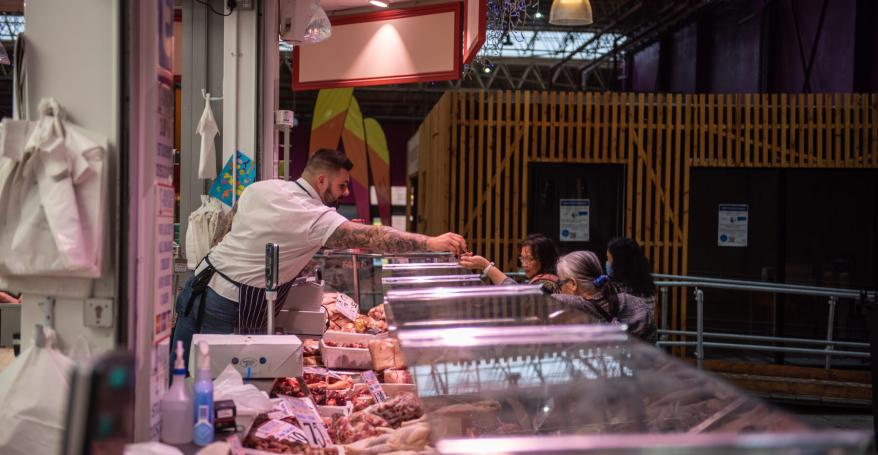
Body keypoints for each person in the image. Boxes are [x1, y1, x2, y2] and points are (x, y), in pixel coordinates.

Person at [171, 149, 467, 370]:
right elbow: (374, 238)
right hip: (227, 304)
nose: (345, 192)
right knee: (216, 383)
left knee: (183, 370)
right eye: (341, 186)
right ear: (322, 179)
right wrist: (431, 242)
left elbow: (228, 228)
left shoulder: (262, 188)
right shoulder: (313, 215)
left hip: (201, 283)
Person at [552, 250, 657, 343]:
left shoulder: (570, 309)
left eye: (560, 284)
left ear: (572, 284)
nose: (559, 290)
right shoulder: (636, 305)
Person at [458, 233, 559, 293]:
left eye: (530, 259)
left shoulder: (547, 284)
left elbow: (519, 295)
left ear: (545, 259)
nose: (524, 264)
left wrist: (486, 266)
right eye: (522, 258)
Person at [606, 237, 656, 307]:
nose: (607, 263)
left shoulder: (614, 289)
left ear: (619, 264)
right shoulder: (647, 286)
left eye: (609, 259)